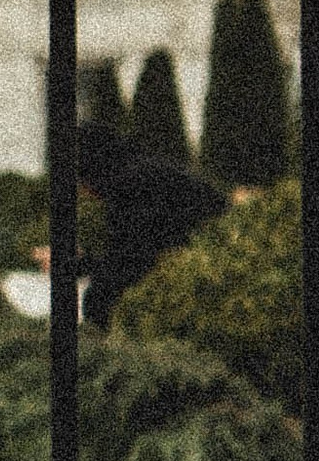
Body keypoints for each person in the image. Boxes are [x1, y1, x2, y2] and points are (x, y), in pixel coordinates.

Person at [73, 110, 225, 326]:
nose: (81, 190)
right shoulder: (143, 172)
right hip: (208, 265)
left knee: (100, 300)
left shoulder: (132, 186)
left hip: (210, 279)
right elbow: (134, 255)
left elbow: (128, 266)